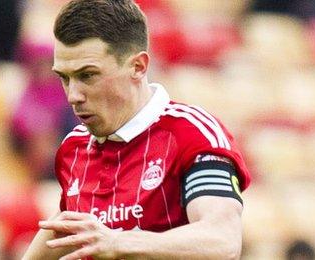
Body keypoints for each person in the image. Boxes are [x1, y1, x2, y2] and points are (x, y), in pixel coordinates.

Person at [22, 0, 251, 259]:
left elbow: (222, 240)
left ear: (138, 67)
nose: (73, 95)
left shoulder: (191, 134)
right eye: (64, 77)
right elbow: (68, 226)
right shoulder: (74, 147)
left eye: (87, 75)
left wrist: (119, 242)